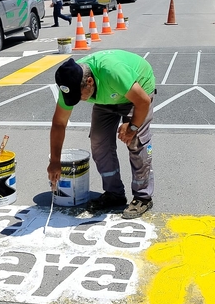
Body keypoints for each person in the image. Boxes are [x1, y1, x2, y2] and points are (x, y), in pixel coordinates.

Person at [48, 50, 156, 219]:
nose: (78, 101)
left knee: (136, 142)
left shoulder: (112, 72)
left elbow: (143, 101)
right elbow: (59, 123)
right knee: (99, 142)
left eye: (79, 95)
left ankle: (143, 197)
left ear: (89, 81)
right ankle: (114, 194)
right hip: (106, 97)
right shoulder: (70, 82)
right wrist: (55, 161)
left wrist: (132, 127)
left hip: (137, 91)